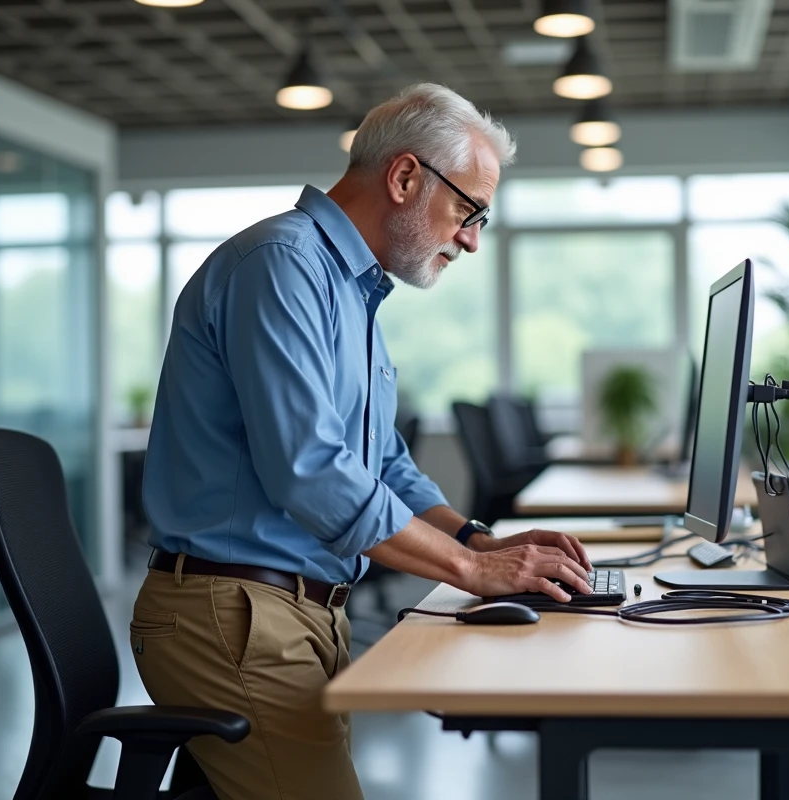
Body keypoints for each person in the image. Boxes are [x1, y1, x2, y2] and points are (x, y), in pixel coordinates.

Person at [130, 83, 593, 800]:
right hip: (236, 617)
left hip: (290, 613)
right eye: (469, 210)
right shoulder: (281, 266)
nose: (471, 237)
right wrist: (469, 576)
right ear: (406, 177)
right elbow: (311, 473)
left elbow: (383, 466)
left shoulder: (352, 289)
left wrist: (476, 543)